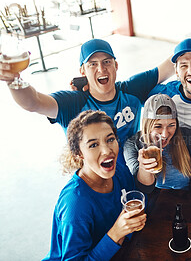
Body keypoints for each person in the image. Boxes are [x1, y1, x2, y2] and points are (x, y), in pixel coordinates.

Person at [0, 4, 191, 160]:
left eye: (106, 62)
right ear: (82, 70)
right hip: (97, 177)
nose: (101, 69)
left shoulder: (132, 89)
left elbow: (167, 67)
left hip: (134, 172)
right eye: (92, 64)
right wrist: (14, 80)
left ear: (116, 66)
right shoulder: (73, 103)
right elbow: (33, 103)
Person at [43, 110, 146, 260]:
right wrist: (115, 233)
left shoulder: (120, 171)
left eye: (110, 139)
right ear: (79, 153)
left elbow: (136, 199)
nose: (106, 151)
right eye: (93, 145)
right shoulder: (75, 204)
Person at [123, 94, 191, 191]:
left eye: (171, 125)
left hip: (187, 196)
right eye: (158, 126)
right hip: (156, 199)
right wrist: (144, 168)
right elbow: (145, 188)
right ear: (147, 125)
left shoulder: (190, 137)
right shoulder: (132, 145)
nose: (165, 134)